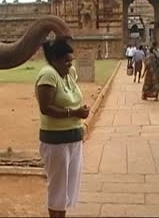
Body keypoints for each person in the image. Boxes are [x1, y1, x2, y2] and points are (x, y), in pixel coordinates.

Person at [35, 38, 90, 217]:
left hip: (73, 139)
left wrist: (79, 113)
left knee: (67, 187)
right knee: (58, 187)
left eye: (71, 60)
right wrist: (74, 112)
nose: (69, 64)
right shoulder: (48, 74)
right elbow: (46, 108)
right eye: (66, 61)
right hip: (56, 142)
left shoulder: (69, 73)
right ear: (55, 59)